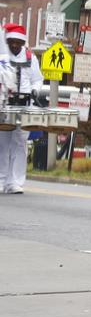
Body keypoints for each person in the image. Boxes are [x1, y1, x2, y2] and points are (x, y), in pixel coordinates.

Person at [0, 24, 43, 194]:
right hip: (5, 105)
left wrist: (35, 90)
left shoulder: (30, 57)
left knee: (20, 144)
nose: (15, 45)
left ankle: (15, 182)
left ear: (22, 42)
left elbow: (37, 79)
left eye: (18, 42)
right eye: (12, 42)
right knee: (3, 143)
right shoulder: (2, 57)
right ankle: (1, 179)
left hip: (25, 105)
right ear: (8, 41)